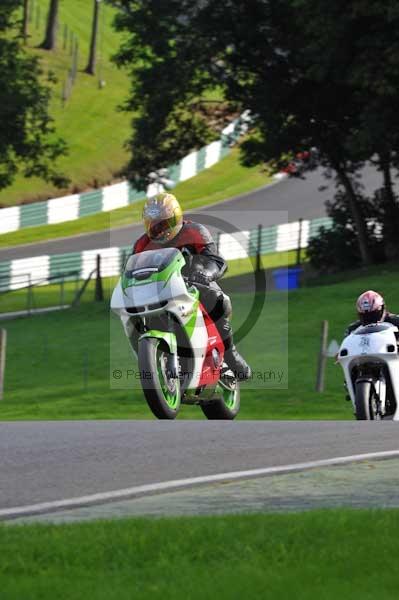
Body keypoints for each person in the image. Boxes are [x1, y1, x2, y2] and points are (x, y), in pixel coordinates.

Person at [131, 192, 251, 380]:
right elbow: (132, 270)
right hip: (158, 290)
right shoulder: (142, 245)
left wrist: (206, 273)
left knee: (218, 301)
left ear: (177, 218)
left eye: (164, 224)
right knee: (133, 314)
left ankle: (231, 355)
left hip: (194, 283)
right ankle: (151, 359)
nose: (160, 231)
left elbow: (216, 260)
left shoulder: (194, 231)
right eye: (154, 226)